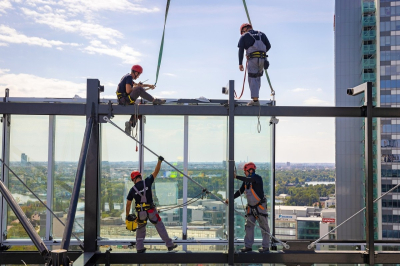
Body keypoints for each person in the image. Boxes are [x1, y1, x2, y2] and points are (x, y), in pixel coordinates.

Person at [125, 156, 178, 253]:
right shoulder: (147, 181)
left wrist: (127, 216)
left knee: (141, 230)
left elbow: (128, 204)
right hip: (151, 210)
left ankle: (139, 248)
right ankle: (169, 245)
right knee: (159, 226)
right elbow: (156, 171)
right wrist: (159, 161)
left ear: (134, 179)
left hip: (141, 213)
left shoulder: (132, 190)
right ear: (140, 177)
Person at [225, 162, 270, 253]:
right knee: (248, 226)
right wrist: (231, 198)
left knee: (264, 226)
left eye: (245, 171)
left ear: (250, 170)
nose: (244, 173)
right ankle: (248, 246)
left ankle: (265, 247)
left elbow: (250, 180)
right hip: (251, 207)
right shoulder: (246, 182)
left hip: (260, 206)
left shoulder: (257, 178)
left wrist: (236, 176)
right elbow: (240, 191)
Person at [116, 64, 166, 133]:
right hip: (124, 100)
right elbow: (128, 90)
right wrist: (138, 88)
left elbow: (135, 85)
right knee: (139, 89)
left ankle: (130, 124)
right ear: (136, 73)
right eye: (139, 75)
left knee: (139, 106)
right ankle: (154, 100)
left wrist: (148, 85)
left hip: (124, 99)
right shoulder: (129, 77)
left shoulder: (127, 77)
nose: (138, 76)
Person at [238, 23, 271, 106]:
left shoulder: (245, 36)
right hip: (263, 59)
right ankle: (255, 98)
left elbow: (241, 50)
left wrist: (240, 63)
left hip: (253, 59)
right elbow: (269, 46)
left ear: (244, 29)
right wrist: (260, 53)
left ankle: (255, 101)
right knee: (257, 78)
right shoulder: (262, 34)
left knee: (252, 78)